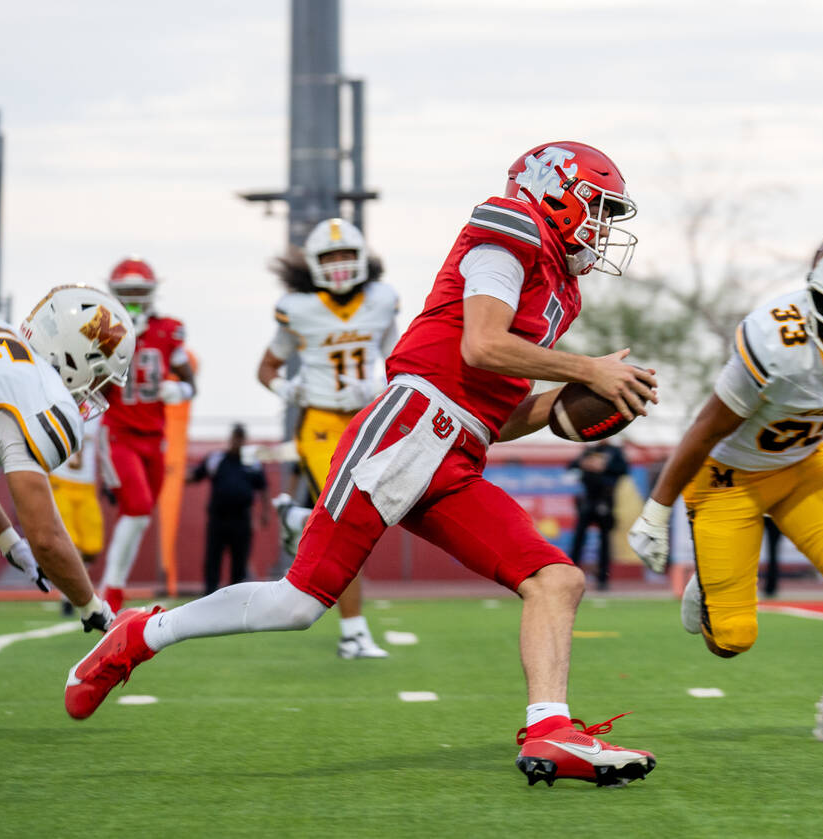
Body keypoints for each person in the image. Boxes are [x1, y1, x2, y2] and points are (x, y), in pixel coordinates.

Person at [65, 141, 660, 788]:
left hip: (458, 451)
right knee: (297, 604)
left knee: (556, 578)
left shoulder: (561, 289)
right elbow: (483, 346)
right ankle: (141, 634)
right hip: (404, 430)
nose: (603, 226)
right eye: (599, 207)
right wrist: (587, 369)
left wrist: (561, 406)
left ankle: (550, 730)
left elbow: (493, 413)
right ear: (555, 192)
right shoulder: (509, 228)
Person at [629, 225, 823, 746]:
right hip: (726, 478)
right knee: (730, 641)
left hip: (803, 468)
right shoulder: (775, 342)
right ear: (816, 296)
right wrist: (656, 511)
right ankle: (710, 582)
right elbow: (707, 429)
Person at [0, 284, 136, 634]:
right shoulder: (41, 396)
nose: (95, 387)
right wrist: (93, 607)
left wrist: (8, 542)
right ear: (75, 357)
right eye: (98, 374)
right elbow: (46, 539)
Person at [257, 217, 397, 658]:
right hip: (318, 422)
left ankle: (297, 519)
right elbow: (266, 368)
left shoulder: (381, 300)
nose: (338, 264)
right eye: (330, 256)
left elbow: (400, 361)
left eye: (345, 255)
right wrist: (286, 389)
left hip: (366, 418)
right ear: (313, 263)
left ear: (362, 259)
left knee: (372, 512)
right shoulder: (298, 308)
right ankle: (353, 632)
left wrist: (378, 386)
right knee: (348, 519)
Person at [99, 257, 196, 613]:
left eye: (140, 291)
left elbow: (190, 382)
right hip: (119, 433)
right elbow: (87, 385)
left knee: (140, 515)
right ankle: (112, 591)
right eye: (127, 293)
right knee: (137, 507)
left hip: (155, 437)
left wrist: (180, 390)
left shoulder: (169, 330)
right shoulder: (99, 330)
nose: (134, 299)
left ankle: (113, 586)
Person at [187, 423, 269, 595]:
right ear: (230, 439)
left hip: (241, 518)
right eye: (235, 438)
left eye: (241, 438)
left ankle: (235, 597)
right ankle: (209, 594)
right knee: (213, 558)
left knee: (239, 560)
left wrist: (265, 513)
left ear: (244, 440)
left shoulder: (252, 463)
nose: (238, 442)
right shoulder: (216, 459)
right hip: (219, 518)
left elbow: (263, 487)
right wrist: (175, 476)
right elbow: (196, 475)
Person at [49, 413, 109, 615]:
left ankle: (75, 592)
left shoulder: (98, 413)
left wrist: (108, 479)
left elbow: (105, 445)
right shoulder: (57, 406)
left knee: (92, 546)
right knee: (70, 542)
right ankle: (68, 597)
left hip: (87, 486)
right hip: (60, 482)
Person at [566, 441, 628, 590]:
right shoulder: (590, 450)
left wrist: (603, 467)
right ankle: (570, 575)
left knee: (605, 541)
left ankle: (603, 578)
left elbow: (624, 470)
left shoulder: (614, 452)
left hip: (605, 499)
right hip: (588, 500)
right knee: (578, 539)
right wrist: (586, 464)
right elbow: (572, 466)